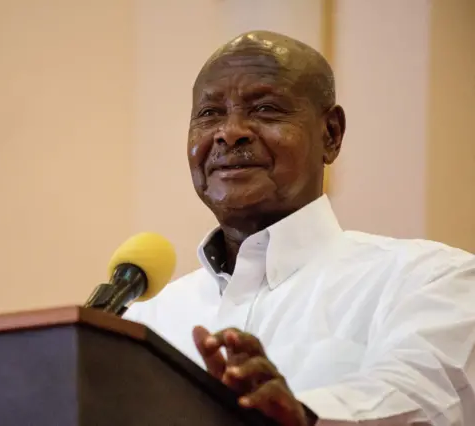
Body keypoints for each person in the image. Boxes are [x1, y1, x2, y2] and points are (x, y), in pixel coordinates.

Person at [124, 30, 475, 425]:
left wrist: (303, 416)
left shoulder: (431, 278)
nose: (229, 131)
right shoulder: (146, 324)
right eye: (209, 114)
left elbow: (424, 396)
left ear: (331, 135)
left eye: (266, 109)